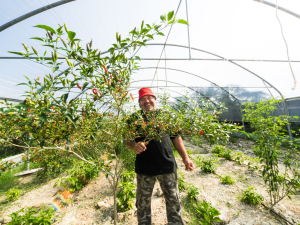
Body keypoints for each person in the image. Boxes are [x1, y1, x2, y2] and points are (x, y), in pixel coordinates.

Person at [126, 87, 194, 225]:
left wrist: (185, 158)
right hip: (144, 169)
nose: (147, 101)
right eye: (143, 99)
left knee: (174, 202)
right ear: (139, 103)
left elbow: (176, 138)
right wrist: (135, 146)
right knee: (143, 204)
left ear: (155, 99)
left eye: (149, 97)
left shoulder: (165, 116)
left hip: (167, 166)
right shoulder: (134, 119)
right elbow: (126, 140)